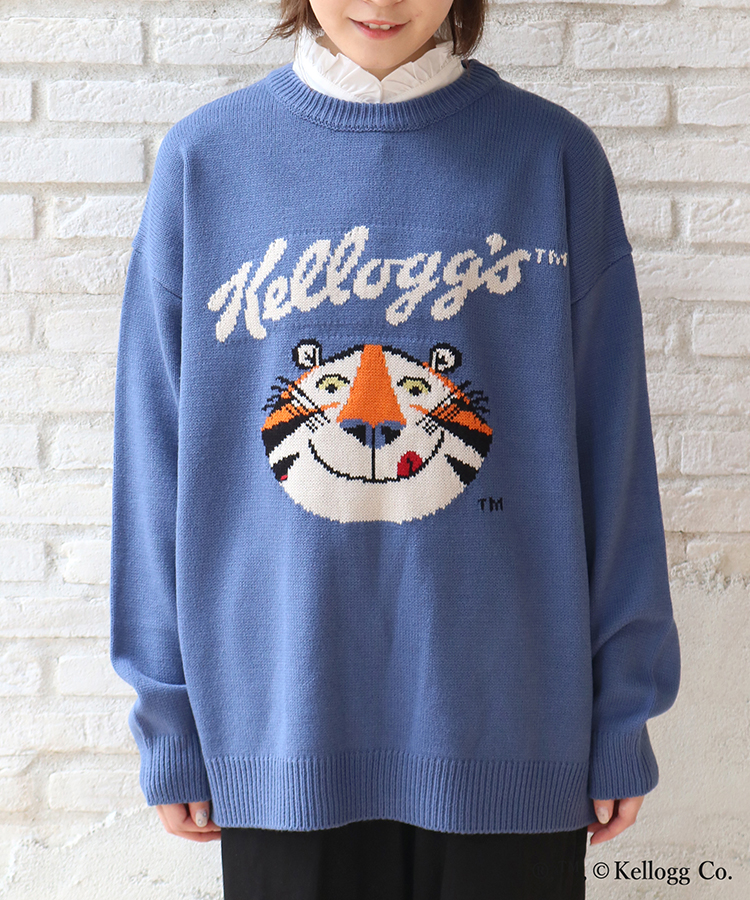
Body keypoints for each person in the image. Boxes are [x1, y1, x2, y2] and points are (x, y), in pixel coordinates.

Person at [109, 0, 681, 897]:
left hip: (512, 731)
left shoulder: (551, 158)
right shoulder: (206, 162)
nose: (379, 3)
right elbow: (155, 461)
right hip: (279, 733)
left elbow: (613, 457)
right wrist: (167, 717)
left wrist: (622, 712)